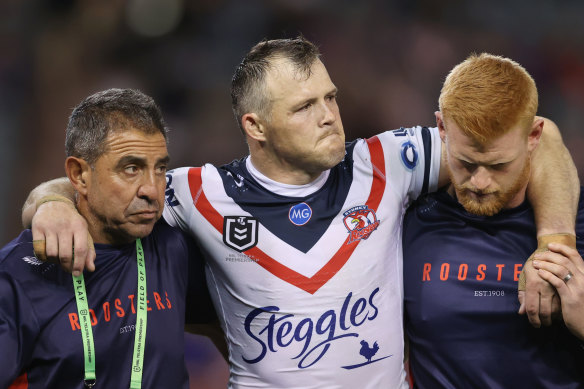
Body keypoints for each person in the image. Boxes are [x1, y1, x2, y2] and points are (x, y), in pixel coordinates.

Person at [23, 38, 579, 388]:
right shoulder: (199, 193)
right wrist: (51, 204)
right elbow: (93, 188)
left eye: (330, 97)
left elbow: (542, 138)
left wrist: (555, 244)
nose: (331, 116)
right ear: (256, 127)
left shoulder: (389, 161)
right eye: (306, 106)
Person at [0, 88, 218, 388]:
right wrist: (52, 201)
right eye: (131, 169)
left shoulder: (174, 245)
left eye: (161, 169)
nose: (152, 191)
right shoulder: (20, 274)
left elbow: (230, 326)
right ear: (79, 175)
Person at [402, 53, 584, 388]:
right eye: (466, 163)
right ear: (441, 127)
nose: (480, 182)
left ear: (534, 136)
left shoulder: (576, 224)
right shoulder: (407, 221)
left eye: (498, 166)